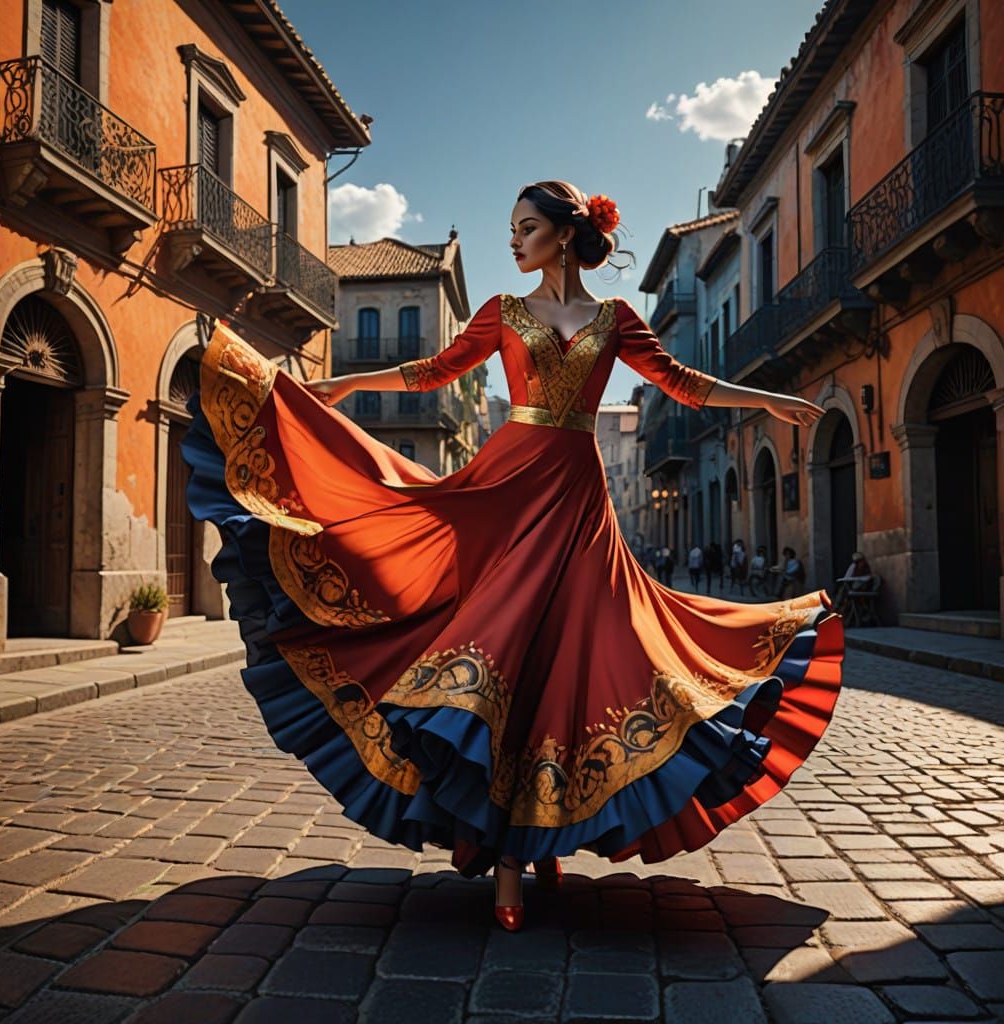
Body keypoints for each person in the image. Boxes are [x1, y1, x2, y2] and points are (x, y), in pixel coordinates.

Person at [182, 179, 843, 933]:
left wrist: (760, 397)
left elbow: (683, 385)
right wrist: (346, 382)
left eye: (525, 227)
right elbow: (433, 373)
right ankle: (506, 858)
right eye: (511, 228)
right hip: (506, 485)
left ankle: (537, 831)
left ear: (564, 235)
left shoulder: (617, 318)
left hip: (579, 496)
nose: (514, 239)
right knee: (500, 651)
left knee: (569, 657)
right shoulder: (503, 313)